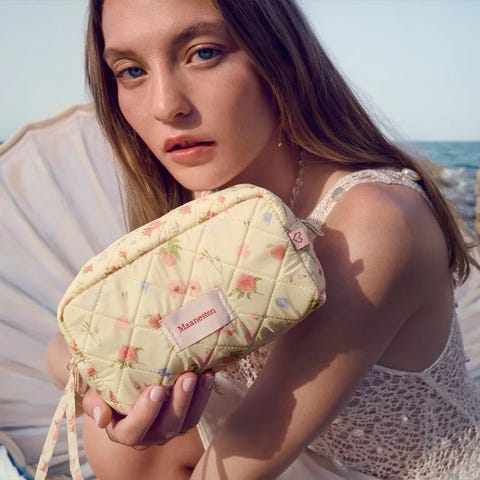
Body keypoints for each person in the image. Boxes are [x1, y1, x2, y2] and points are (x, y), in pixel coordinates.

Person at [46, 0, 480, 478]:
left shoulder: (373, 225)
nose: (166, 106)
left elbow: (240, 459)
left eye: (204, 53)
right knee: (123, 441)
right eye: (132, 71)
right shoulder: (206, 202)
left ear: (279, 56)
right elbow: (65, 348)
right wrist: (101, 394)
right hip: (270, 459)